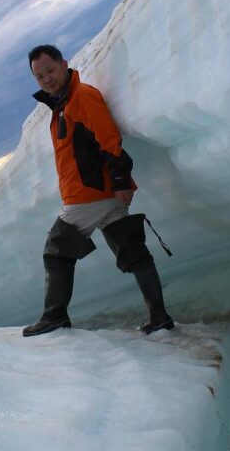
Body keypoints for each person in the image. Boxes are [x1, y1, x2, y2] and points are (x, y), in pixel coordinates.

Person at [22, 44, 175, 337]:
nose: (46, 79)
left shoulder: (82, 97)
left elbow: (109, 138)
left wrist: (119, 180)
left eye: (50, 71)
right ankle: (160, 318)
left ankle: (54, 316)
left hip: (89, 193)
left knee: (56, 251)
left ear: (64, 64)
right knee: (133, 252)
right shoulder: (62, 105)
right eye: (39, 77)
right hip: (100, 193)